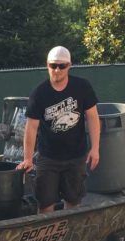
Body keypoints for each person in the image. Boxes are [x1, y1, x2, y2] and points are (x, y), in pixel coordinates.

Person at [17, 46, 101, 213]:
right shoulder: (39, 93)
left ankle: (69, 235)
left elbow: (92, 117)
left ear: (69, 66)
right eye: (53, 65)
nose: (57, 70)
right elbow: (31, 127)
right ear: (47, 65)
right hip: (48, 156)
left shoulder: (82, 87)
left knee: (73, 201)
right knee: (45, 204)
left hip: (76, 155)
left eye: (61, 66)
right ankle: (47, 237)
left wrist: (95, 148)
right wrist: (27, 158)